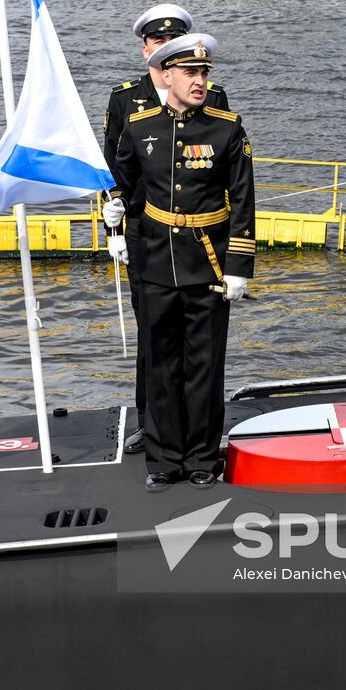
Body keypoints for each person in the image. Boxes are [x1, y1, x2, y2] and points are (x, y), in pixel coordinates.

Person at [104, 34, 254, 491]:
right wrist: (112, 218)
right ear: (165, 75)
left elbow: (244, 200)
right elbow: (121, 181)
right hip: (154, 263)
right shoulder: (139, 125)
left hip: (207, 263)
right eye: (190, 73)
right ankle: (164, 460)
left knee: (205, 366)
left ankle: (203, 459)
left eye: (204, 73)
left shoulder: (227, 128)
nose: (200, 81)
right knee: (162, 366)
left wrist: (238, 267)